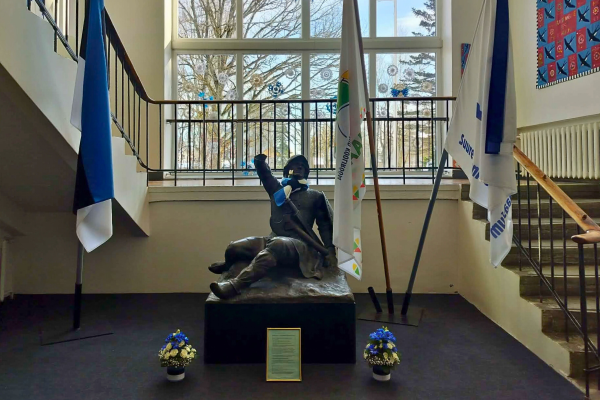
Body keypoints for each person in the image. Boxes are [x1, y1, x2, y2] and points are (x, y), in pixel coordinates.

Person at [208, 154, 337, 299]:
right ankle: (228, 266)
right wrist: (259, 162)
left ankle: (234, 286)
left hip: (301, 245)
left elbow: (325, 226)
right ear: (287, 170)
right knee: (235, 247)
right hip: (274, 238)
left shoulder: (316, 196)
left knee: (278, 245)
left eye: (303, 165)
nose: (300, 166)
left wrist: (330, 251)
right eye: (296, 164)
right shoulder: (278, 192)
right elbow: (266, 176)